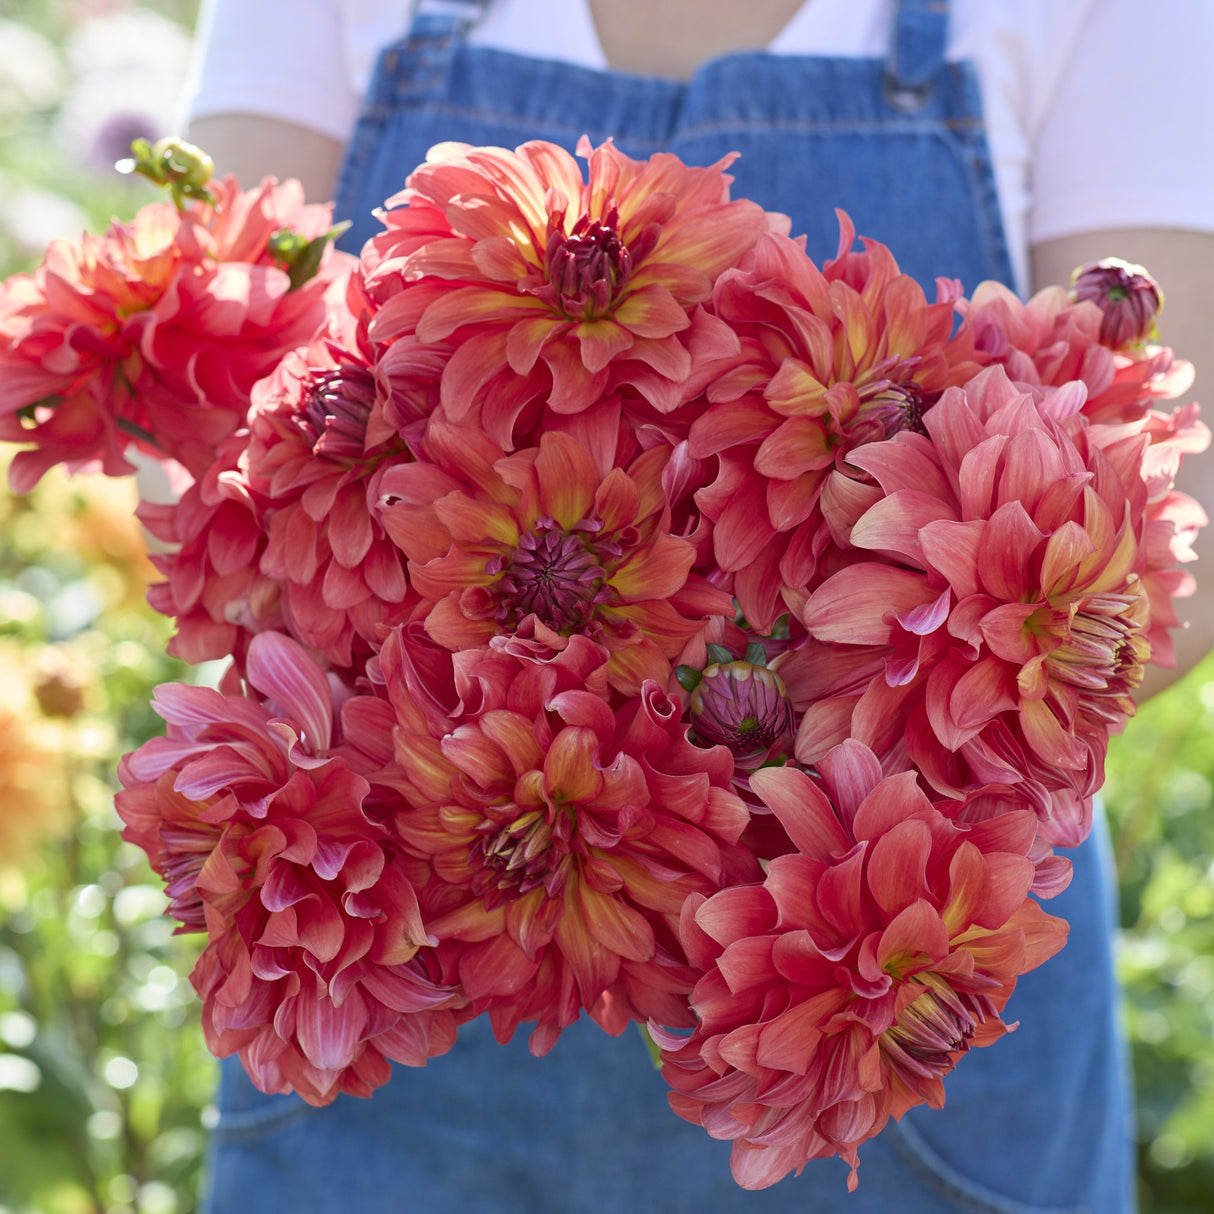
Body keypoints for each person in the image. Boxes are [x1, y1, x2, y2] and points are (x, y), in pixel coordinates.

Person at [180, 2, 1214, 1210]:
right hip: (406, 1012)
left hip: (892, 1059)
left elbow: (1167, 557)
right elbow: (217, 403)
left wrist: (782, 776)